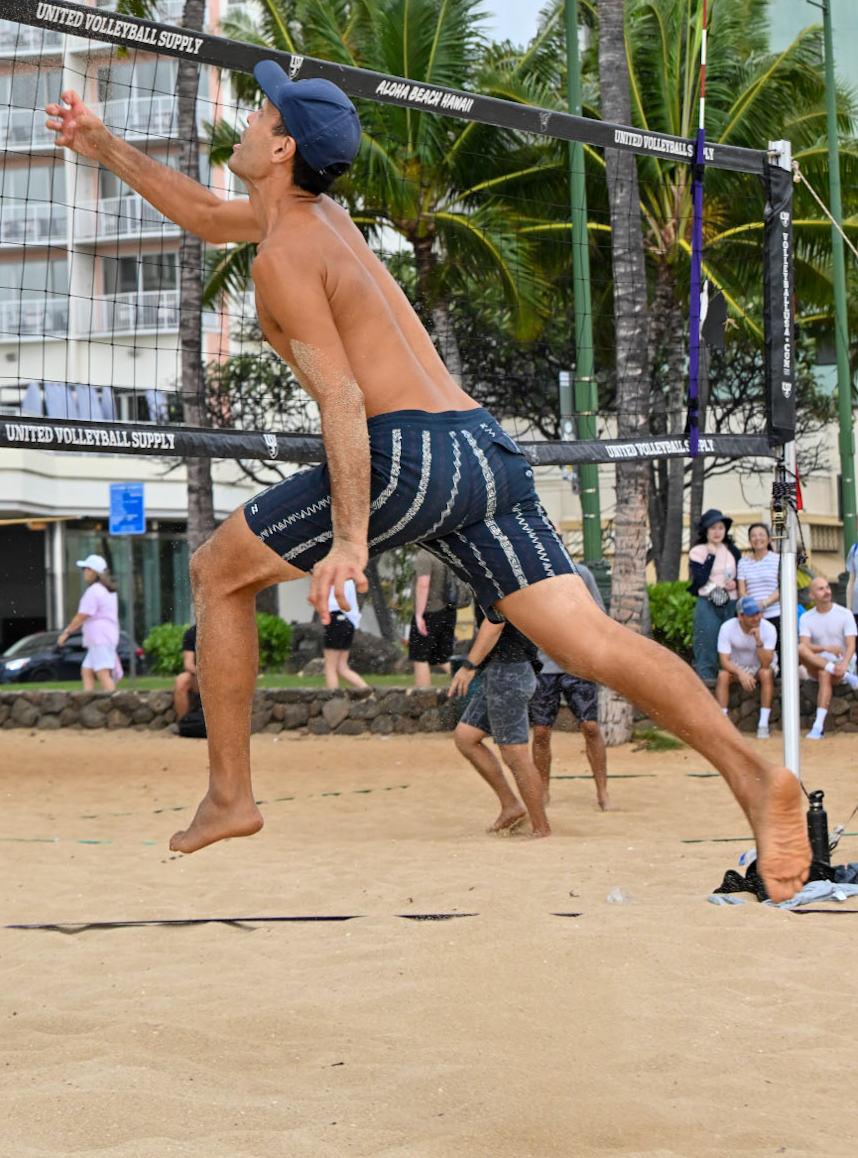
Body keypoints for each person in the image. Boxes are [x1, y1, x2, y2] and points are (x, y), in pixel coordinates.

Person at [45, 63, 810, 899]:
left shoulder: (285, 256)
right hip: (482, 450)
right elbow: (200, 212)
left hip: (408, 456)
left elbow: (340, 396)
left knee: (215, 572)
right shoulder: (316, 217)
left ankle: (229, 795)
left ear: (281, 146)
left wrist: (348, 538)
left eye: (259, 112)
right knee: (589, 640)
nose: (246, 118)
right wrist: (100, 144)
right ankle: (752, 775)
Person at [448, 614, 549, 837]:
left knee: (515, 754)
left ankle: (541, 828)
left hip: (510, 671)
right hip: (499, 668)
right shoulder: (486, 580)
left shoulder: (493, 578)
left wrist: (468, 666)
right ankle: (511, 806)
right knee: (466, 736)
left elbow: (495, 623)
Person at [529, 560, 613, 812]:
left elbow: (599, 613)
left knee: (590, 726)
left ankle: (603, 792)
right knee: (542, 731)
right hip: (544, 665)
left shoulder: (580, 573)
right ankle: (543, 790)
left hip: (578, 663)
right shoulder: (531, 575)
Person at [798, 574, 858, 740]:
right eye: (821, 589)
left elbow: (851, 644)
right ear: (812, 595)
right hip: (819, 664)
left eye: (827, 587)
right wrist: (825, 648)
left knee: (825, 674)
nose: (826, 591)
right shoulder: (806, 617)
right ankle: (842, 674)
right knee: (800, 648)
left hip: (841, 664)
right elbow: (805, 645)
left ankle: (818, 726)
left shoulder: (845, 614)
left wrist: (844, 664)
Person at [686, 510, 740, 687]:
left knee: (733, 647)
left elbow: (742, 575)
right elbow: (699, 579)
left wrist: (736, 584)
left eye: (721, 528)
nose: (717, 532)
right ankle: (706, 683)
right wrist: (710, 556)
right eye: (713, 528)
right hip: (708, 603)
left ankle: (733, 684)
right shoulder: (697, 551)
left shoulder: (732, 550)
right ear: (705, 531)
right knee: (706, 644)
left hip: (731, 602)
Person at [57, 556, 122, 692]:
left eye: (86, 569)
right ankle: (88, 700)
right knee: (87, 670)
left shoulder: (94, 591)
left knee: (102, 673)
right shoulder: (107, 591)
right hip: (103, 638)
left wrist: (66, 633)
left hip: (100, 638)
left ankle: (113, 704)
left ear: (94, 572)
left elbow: (81, 616)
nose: (84, 572)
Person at [716, 600, 777, 736]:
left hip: (760, 666)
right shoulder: (727, 628)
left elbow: (766, 664)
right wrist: (741, 673)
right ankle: (723, 724)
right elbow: (724, 661)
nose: (756, 618)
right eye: (751, 615)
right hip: (737, 668)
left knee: (766, 673)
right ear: (740, 616)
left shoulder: (769, 628)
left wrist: (759, 642)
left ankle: (763, 724)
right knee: (723, 675)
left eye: (758, 613)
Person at [408, 549, 458, 689]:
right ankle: (470, 686)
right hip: (449, 610)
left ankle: (423, 697)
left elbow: (423, 584)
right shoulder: (445, 553)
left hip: (429, 611)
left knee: (420, 657)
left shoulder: (425, 555)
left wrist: (419, 615)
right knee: (443, 658)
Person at [737, 523, 782, 641]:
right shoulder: (743, 562)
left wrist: (762, 605)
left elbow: (782, 589)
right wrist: (754, 610)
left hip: (776, 614)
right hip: (753, 618)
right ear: (749, 540)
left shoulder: (778, 559)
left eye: (761, 534)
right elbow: (742, 591)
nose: (757, 538)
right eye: (753, 536)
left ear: (768, 538)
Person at [323, 577, 368, 691]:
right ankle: (368, 692)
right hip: (349, 622)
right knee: (341, 668)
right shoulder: (348, 579)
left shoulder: (333, 574)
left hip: (335, 619)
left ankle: (333, 699)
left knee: (330, 667)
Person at [174, 623, 200, 721]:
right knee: (181, 680)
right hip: (200, 677)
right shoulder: (192, 632)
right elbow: (188, 663)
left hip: (223, 677)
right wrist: (203, 675)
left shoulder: (224, 628)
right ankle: (184, 723)